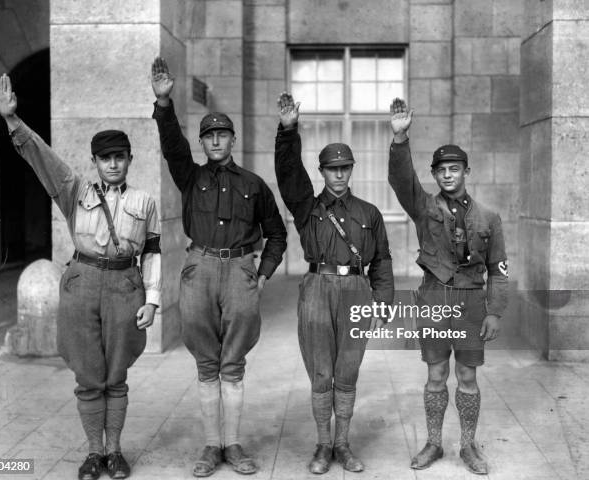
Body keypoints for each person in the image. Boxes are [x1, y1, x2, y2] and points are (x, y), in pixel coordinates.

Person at [0, 74, 161, 480]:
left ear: (129, 160)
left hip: (126, 286)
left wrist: (152, 299)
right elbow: (43, 158)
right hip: (82, 283)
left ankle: (116, 453)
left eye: (120, 157)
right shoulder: (75, 192)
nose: (113, 164)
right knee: (89, 377)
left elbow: (153, 251)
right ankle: (94, 453)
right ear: (95, 162)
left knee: (116, 375)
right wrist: (13, 121)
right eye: (106, 158)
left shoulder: (145, 201)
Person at [149, 57, 287, 477]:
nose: (215, 141)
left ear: (231, 139)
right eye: (208, 136)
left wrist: (261, 275)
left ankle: (234, 445)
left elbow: (278, 234)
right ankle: (212, 446)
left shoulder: (253, 184)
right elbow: (173, 147)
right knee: (206, 363)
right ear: (204, 142)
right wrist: (163, 102)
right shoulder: (191, 178)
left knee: (234, 363)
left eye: (221, 135)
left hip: (240, 272)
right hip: (199, 268)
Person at [274, 92, 394, 474]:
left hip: (356, 291)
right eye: (332, 169)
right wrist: (288, 130)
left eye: (345, 168)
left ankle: (343, 444)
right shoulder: (308, 208)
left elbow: (383, 261)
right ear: (321, 172)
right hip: (317, 289)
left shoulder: (369, 214)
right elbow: (288, 174)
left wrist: (383, 302)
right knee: (321, 371)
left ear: (351, 170)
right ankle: (323, 445)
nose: (339, 175)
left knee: (348, 370)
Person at [388, 98, 508, 475]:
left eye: (454, 169)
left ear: (466, 171)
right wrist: (400, 137)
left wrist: (495, 311)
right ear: (435, 175)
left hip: (472, 300)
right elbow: (401, 180)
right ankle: (434, 443)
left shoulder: (489, 217)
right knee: (436, 374)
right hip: (435, 297)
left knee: (468, 375)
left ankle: (469, 446)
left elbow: (499, 270)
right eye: (441, 171)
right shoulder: (424, 208)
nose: (447, 176)